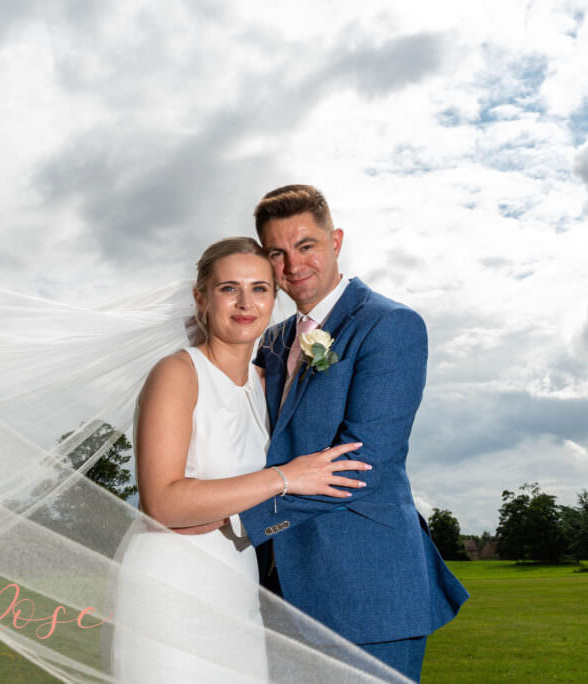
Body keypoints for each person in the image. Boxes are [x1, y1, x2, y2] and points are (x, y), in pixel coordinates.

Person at [108, 237, 373, 682]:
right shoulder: (177, 372)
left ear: (275, 297)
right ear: (201, 298)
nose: (246, 302)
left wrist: (220, 502)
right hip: (171, 584)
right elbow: (163, 503)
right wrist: (283, 479)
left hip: (236, 581)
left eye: (260, 289)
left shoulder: (270, 383)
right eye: (229, 288)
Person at [237, 185, 470, 682]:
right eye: (276, 253)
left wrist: (235, 521)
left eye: (307, 246)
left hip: (367, 588)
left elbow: (361, 465)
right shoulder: (273, 340)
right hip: (274, 591)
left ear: (336, 240)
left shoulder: (390, 325)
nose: (293, 265)